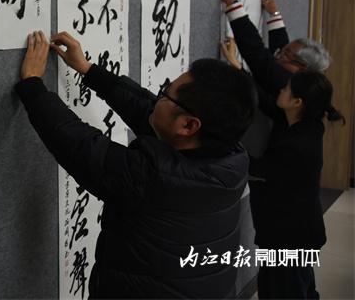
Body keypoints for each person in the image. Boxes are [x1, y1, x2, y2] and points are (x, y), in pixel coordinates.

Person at [15, 30, 257, 298]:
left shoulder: (155, 178)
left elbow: (81, 148)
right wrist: (88, 69)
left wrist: (33, 86)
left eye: (165, 94)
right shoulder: (230, 156)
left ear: (189, 125)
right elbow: (151, 112)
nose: (158, 97)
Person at [217, 0, 344, 299]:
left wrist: (234, 5)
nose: (279, 56)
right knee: (299, 287)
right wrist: (273, 17)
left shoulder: (296, 142)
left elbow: (262, 62)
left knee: (282, 290)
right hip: (296, 231)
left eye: (286, 89)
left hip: (288, 233)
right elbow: (272, 73)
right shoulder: (306, 113)